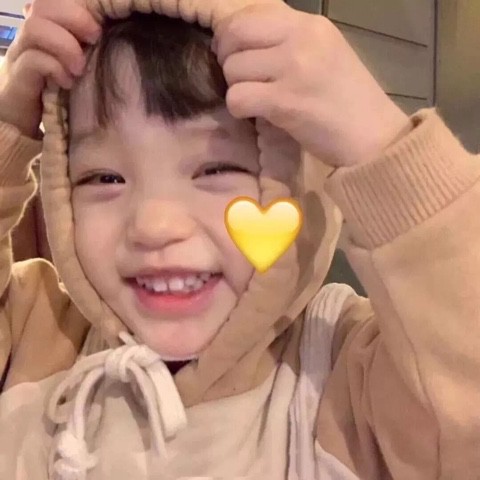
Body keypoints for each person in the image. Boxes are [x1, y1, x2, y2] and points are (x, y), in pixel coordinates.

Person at [0, 0, 479, 479]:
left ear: (301, 178)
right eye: (104, 178)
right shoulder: (34, 333)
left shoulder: (350, 376)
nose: (154, 226)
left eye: (216, 169)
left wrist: (379, 144)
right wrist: (8, 123)